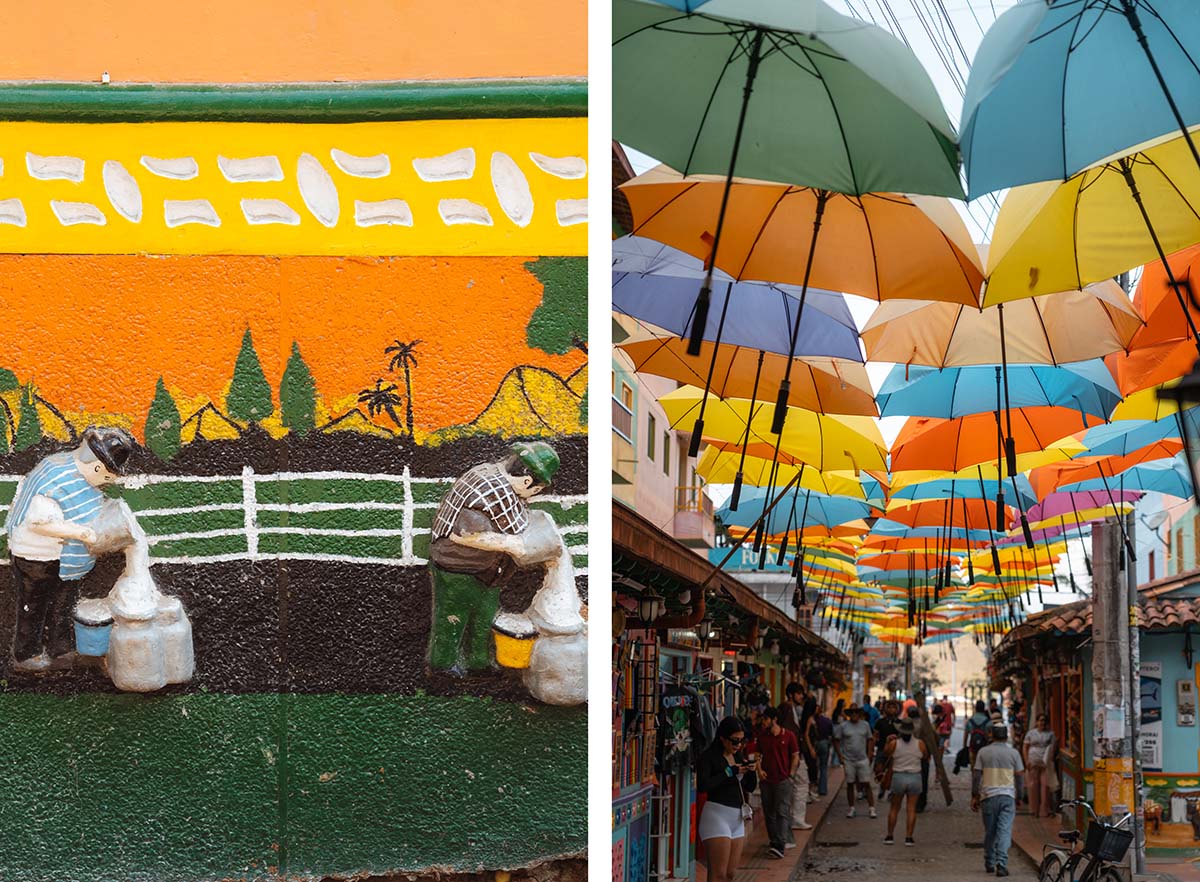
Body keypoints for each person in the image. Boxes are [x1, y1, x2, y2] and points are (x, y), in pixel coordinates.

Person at [6, 426, 134, 671]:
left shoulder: (83, 479)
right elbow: (39, 522)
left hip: (67, 560)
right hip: (37, 556)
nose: (107, 482)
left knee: (63, 604)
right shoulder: (56, 478)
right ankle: (26, 654)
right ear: (98, 467)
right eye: (108, 476)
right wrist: (80, 532)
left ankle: (60, 649)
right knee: (34, 605)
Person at [429, 441, 559, 673]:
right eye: (535, 491)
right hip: (457, 566)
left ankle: (478, 662)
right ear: (528, 482)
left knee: (484, 615)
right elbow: (519, 532)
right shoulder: (497, 490)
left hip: (484, 569)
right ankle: (443, 665)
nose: (530, 497)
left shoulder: (484, 471)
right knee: (453, 616)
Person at [698, 717, 757, 882]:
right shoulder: (709, 757)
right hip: (716, 815)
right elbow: (703, 785)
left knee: (730, 874)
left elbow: (749, 787)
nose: (738, 745)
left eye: (741, 741)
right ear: (722, 738)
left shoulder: (738, 756)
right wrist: (728, 773)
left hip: (737, 817)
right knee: (718, 874)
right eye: (735, 741)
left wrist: (751, 771)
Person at [971, 724, 1025, 877]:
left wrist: (974, 795)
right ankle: (1001, 863)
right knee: (1004, 831)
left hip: (988, 797)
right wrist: (1019, 796)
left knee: (990, 831)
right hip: (1007, 797)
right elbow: (1020, 776)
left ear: (991, 736)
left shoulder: (983, 752)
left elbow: (976, 775)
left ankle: (989, 861)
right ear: (1006, 736)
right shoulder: (1014, 753)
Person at [755, 707, 799, 859]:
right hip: (766, 781)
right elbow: (757, 755)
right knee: (769, 813)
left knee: (782, 811)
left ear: (774, 719)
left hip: (783, 780)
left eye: (766, 719)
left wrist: (791, 774)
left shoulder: (788, 736)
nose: (764, 722)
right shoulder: (762, 737)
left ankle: (780, 844)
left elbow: (795, 756)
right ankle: (774, 842)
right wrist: (759, 771)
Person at [883, 719, 928, 846]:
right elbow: (925, 757)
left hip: (898, 777)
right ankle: (909, 838)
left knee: (894, 808)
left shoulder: (894, 743)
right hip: (915, 777)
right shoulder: (920, 744)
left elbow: (886, 753)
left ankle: (890, 836)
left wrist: (887, 741)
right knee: (911, 809)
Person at [834, 704, 877, 819]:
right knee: (850, 784)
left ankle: (871, 808)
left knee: (866, 783)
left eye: (856, 712)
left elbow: (870, 739)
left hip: (862, 759)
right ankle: (851, 808)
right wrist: (840, 755)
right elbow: (836, 740)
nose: (854, 715)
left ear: (859, 714)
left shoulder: (865, 725)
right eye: (852, 713)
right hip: (849, 760)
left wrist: (869, 753)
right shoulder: (843, 726)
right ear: (849, 714)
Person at [1023, 713, 1057, 818]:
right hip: (1033, 761)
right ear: (1037, 722)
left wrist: (1050, 759)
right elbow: (1025, 747)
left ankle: (1044, 810)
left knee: (1045, 786)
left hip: (1045, 763)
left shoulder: (1050, 734)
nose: (1042, 723)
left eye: (1044, 721)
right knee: (1033, 786)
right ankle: (1034, 810)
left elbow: (1053, 748)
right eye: (1040, 720)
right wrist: (1026, 761)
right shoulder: (1031, 733)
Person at [873, 699, 902, 797]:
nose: (891, 709)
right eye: (889, 707)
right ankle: (882, 786)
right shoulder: (880, 722)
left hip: (895, 750)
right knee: (879, 769)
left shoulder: (900, 722)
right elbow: (875, 736)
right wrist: (873, 748)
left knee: (892, 771)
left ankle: (891, 790)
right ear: (885, 708)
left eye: (894, 707)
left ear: (897, 709)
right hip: (881, 748)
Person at [814, 702, 834, 797]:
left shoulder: (812, 720)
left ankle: (813, 786)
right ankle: (822, 789)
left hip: (815, 743)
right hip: (824, 743)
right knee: (823, 767)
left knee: (814, 766)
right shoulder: (827, 720)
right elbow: (831, 733)